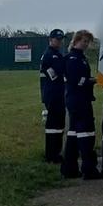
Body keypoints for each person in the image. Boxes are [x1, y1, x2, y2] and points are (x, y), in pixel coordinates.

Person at [61, 30, 103, 180]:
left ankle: (69, 168)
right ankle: (88, 168)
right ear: (76, 41)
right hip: (78, 100)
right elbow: (76, 80)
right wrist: (92, 80)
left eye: (88, 42)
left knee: (73, 134)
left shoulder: (80, 58)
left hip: (78, 99)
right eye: (84, 41)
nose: (86, 44)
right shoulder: (73, 59)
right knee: (86, 133)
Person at [38, 29, 67, 163]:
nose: (59, 42)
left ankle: (56, 152)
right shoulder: (49, 55)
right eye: (57, 39)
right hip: (52, 93)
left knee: (59, 124)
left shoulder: (57, 54)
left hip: (59, 93)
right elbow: (54, 75)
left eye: (61, 39)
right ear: (50, 39)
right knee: (53, 125)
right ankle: (51, 154)